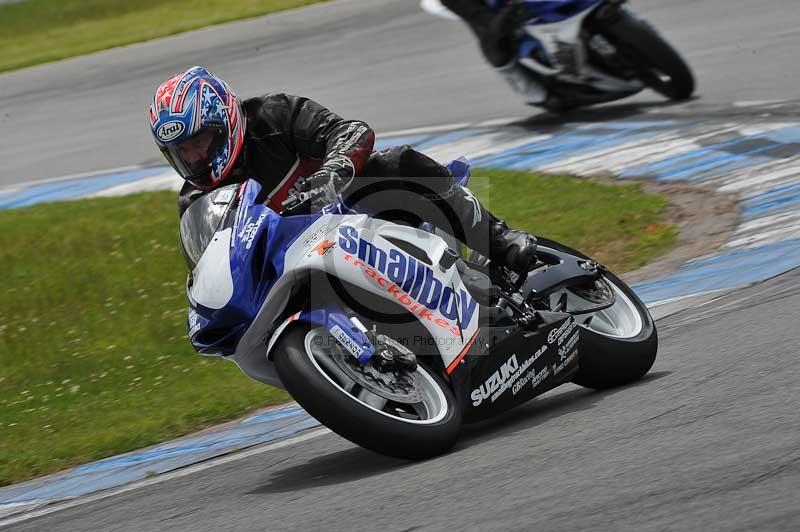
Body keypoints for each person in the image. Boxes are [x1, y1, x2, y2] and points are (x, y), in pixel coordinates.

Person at [148, 66, 537, 273]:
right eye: (181, 151)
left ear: (225, 122)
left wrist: (332, 172)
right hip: (302, 262)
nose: (195, 158)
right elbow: (212, 266)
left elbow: (349, 131)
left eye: (199, 142)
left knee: (395, 162)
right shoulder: (197, 201)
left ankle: (499, 241)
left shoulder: (274, 115)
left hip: (360, 212)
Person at [440, 0, 550, 106]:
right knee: (491, 33)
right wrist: (513, 7)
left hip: (515, 22)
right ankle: (541, 97)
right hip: (499, 37)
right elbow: (487, 20)